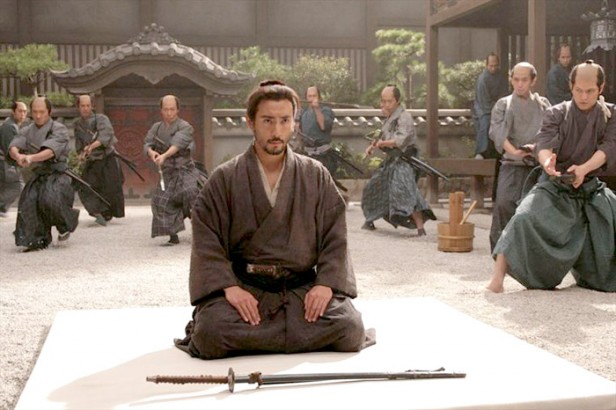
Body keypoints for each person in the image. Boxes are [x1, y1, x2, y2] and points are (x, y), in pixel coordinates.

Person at [174, 80, 372, 359]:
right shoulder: (226, 177)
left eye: (284, 120)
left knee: (349, 328)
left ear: (294, 123)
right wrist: (229, 288)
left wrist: (325, 284)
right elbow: (207, 240)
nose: (276, 131)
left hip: (301, 289)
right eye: (267, 121)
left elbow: (335, 237)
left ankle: (262, 335)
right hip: (246, 288)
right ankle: (292, 333)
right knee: (211, 332)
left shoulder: (314, 174)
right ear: (250, 122)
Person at [487, 60, 616, 293]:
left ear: (601, 88)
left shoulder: (610, 114)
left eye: (590, 91)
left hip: (590, 186)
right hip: (556, 183)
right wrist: (547, 162)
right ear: (571, 85)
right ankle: (497, 279)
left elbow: (608, 148)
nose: (583, 97)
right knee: (523, 217)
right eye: (579, 90)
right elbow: (544, 144)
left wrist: (584, 169)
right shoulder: (557, 112)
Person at [488, 62, 551, 251]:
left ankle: (531, 254)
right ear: (511, 80)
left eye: (524, 80)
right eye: (516, 79)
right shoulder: (504, 104)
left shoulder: (543, 104)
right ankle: (501, 253)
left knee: (536, 210)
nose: (520, 84)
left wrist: (536, 148)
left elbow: (550, 132)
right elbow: (497, 132)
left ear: (533, 81)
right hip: (512, 163)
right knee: (504, 204)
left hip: (537, 164)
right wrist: (514, 151)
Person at [361, 84, 436, 236]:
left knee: (406, 190)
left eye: (389, 101)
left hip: (405, 160)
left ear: (397, 101)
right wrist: (373, 146)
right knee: (373, 187)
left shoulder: (404, 116)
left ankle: (420, 227)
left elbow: (400, 140)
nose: (385, 104)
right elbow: (381, 137)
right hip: (392, 160)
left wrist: (383, 143)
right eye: (383, 101)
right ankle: (370, 219)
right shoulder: (388, 118)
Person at [8, 96, 79, 252]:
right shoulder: (27, 129)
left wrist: (30, 158)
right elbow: (14, 145)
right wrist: (18, 156)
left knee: (50, 199)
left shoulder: (59, 129)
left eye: (42, 112)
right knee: (28, 202)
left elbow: (50, 151)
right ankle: (36, 239)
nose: (38, 116)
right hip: (39, 174)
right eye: (35, 112)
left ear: (49, 112)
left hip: (57, 173)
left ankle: (64, 228)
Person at [143, 95, 205, 245]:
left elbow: (177, 144)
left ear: (177, 110)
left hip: (185, 169)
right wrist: (152, 153)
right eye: (166, 109)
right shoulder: (156, 128)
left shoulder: (185, 126)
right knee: (160, 201)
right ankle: (173, 236)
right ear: (161, 110)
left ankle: (202, 232)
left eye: (172, 109)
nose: (169, 113)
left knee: (193, 195)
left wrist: (164, 155)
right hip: (168, 172)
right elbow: (147, 144)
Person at [74, 94, 125, 226]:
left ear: (92, 106)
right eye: (82, 106)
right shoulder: (78, 124)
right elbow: (79, 145)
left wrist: (91, 146)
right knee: (86, 187)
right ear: (78, 107)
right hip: (91, 161)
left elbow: (105, 135)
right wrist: (81, 155)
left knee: (110, 187)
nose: (85, 108)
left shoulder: (101, 118)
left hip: (107, 158)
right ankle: (97, 212)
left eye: (88, 105)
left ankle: (107, 213)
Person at [473, 52, 509, 159]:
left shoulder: (501, 77)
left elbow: (504, 95)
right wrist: (494, 109)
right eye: (491, 66)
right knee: (486, 123)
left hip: (498, 106)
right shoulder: (482, 79)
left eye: (495, 65)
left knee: (506, 121)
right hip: (483, 107)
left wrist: (501, 108)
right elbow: (483, 100)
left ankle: (503, 150)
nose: (493, 68)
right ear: (486, 65)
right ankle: (481, 152)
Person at [298, 86, 336, 174]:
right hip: (307, 156)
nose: (312, 98)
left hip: (323, 155)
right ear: (306, 98)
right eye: (309, 96)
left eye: (314, 96)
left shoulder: (326, 110)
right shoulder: (304, 113)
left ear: (319, 97)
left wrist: (316, 108)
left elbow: (323, 126)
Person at [0, 101, 28, 217]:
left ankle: (2, 208)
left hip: (6, 162)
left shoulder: (13, 125)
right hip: (6, 162)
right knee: (17, 186)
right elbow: (9, 148)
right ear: (13, 111)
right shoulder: (9, 126)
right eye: (20, 111)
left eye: (25, 112)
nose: (23, 114)